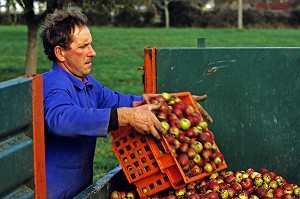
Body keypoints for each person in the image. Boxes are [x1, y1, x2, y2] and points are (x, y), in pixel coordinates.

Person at [41, 7, 212, 199]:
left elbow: (122, 101)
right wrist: (123, 116)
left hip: (78, 190)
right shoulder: (54, 84)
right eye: (83, 47)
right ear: (60, 53)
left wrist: (173, 103)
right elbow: (61, 119)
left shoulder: (87, 84)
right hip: (52, 193)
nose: (93, 52)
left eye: (91, 45)